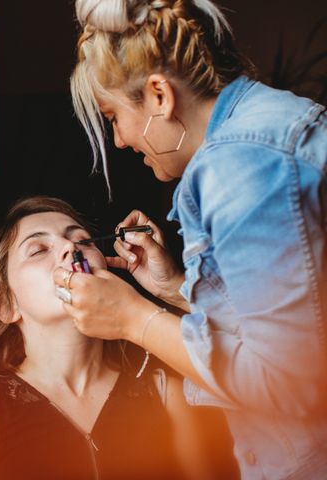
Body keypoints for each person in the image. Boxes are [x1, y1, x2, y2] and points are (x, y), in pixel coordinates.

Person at [58, 0, 327, 478]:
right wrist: (172, 288)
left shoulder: (241, 166)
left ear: (159, 95)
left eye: (113, 116)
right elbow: (279, 329)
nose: (118, 140)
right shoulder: (259, 130)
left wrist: (134, 319)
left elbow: (290, 385)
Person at [0, 196, 236, 480]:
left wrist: (173, 288)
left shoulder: (169, 395)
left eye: (82, 240)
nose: (69, 247)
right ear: (7, 306)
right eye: (39, 249)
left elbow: (264, 368)